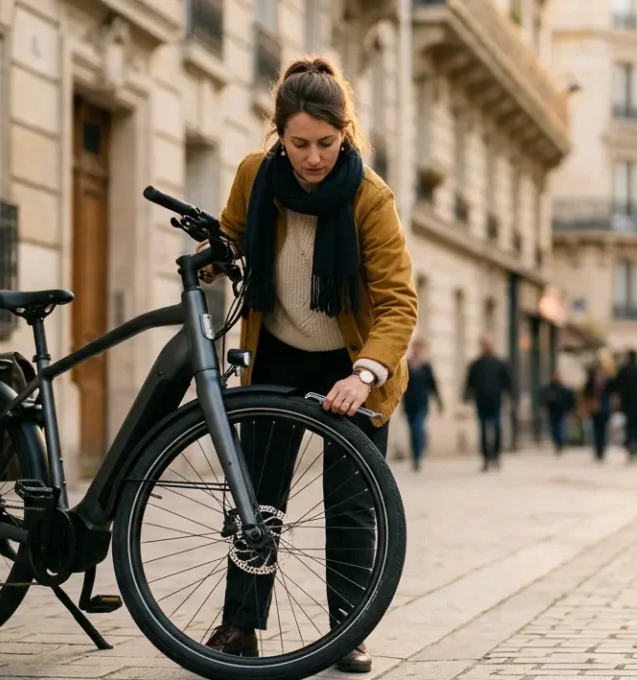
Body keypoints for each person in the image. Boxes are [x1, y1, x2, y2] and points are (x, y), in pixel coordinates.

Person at [197, 56, 418, 672]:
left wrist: (366, 374)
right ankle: (241, 626)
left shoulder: (370, 198)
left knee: (350, 500)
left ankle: (348, 631)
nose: (314, 157)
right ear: (279, 137)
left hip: (353, 362)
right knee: (259, 499)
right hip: (280, 352)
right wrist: (214, 254)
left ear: (345, 134)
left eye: (326, 142)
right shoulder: (255, 175)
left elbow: (399, 304)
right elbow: (232, 232)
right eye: (299, 144)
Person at [464, 336, 514, 471]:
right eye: (484, 345)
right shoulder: (476, 364)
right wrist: (466, 396)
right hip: (481, 402)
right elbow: (469, 382)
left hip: (496, 401)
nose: (486, 347)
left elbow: (508, 382)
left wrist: (512, 396)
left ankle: (496, 456)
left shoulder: (500, 363)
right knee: (483, 431)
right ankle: (486, 458)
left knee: (497, 428)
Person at [402, 339, 442, 470]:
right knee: (412, 430)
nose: (417, 351)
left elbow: (433, 384)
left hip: (422, 403)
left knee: (417, 427)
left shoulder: (426, 366)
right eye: (416, 348)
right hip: (409, 402)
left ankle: (418, 457)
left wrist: (439, 401)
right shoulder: (406, 364)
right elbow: (401, 384)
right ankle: (415, 455)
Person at [612, 350, 637, 462]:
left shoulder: (623, 370)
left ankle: (630, 447)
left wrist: (621, 396)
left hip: (627, 403)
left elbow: (616, 385)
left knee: (629, 426)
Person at [581, 360, 615, 462]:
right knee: (596, 430)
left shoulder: (608, 381)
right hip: (594, 409)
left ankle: (602, 449)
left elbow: (613, 392)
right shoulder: (590, 382)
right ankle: (597, 449)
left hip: (604, 409)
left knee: (603, 430)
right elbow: (585, 393)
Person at [538, 369, 576, 455]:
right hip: (552, 411)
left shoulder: (563, 388)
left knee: (560, 427)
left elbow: (569, 399)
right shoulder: (548, 388)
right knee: (554, 429)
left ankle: (560, 443)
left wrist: (570, 409)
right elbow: (542, 398)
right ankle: (558, 443)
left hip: (561, 411)